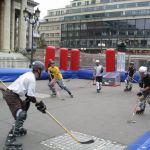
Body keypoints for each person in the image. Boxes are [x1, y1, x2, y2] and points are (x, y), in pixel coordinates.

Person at [1, 61, 47, 149]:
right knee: (21, 115)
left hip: (13, 94)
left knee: (26, 105)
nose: (42, 72)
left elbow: (28, 96)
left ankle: (19, 128)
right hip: (12, 96)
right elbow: (30, 96)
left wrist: (38, 104)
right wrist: (40, 104)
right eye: (42, 70)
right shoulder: (32, 79)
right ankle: (9, 141)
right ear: (38, 70)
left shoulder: (28, 74)